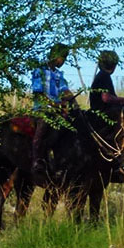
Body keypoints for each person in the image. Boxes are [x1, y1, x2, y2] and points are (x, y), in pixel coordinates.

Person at [31, 43, 75, 177]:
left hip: (56, 111)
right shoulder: (39, 71)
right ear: (56, 56)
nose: (63, 62)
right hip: (42, 109)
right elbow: (38, 93)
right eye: (63, 58)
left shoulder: (59, 75)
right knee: (43, 128)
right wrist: (53, 104)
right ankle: (37, 159)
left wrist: (72, 100)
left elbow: (64, 90)